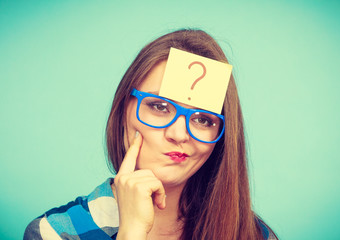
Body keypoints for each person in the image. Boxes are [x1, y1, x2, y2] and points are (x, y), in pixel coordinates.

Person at [24, 29, 277, 240]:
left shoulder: (254, 234)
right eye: (159, 107)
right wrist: (131, 233)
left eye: (202, 119)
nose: (179, 134)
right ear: (124, 110)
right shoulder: (55, 233)